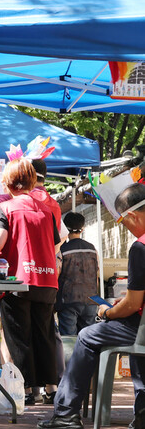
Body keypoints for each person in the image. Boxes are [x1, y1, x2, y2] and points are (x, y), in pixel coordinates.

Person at [38, 183, 145, 429]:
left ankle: (66, 413)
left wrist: (109, 311)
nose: (126, 229)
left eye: (122, 222)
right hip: (131, 321)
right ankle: (142, 411)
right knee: (139, 339)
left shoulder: (141, 247)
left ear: (132, 215)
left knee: (86, 335)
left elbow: (133, 304)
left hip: (127, 320)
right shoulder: (92, 249)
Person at [0, 158, 59, 406]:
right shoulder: (47, 210)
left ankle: (26, 389)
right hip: (47, 279)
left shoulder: (4, 209)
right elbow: (55, 243)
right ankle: (51, 387)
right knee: (45, 334)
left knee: (19, 335)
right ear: (33, 180)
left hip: (18, 282)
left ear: (7, 183)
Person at [56, 211, 99, 336]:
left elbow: (56, 273)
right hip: (91, 299)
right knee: (88, 339)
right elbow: (96, 275)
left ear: (65, 228)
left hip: (68, 300)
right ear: (82, 228)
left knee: (69, 341)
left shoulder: (62, 250)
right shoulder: (92, 249)